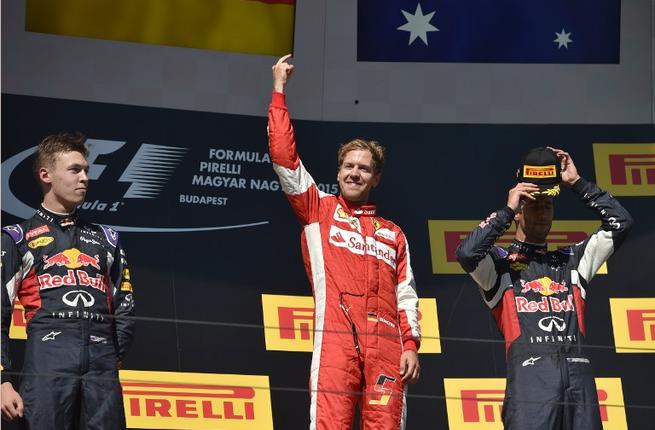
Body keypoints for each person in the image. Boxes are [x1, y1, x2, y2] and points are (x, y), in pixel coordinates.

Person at [268, 55, 421, 430]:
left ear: (376, 179)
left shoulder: (393, 233)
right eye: (348, 166)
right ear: (338, 172)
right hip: (336, 339)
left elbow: (407, 296)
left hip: (387, 347)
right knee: (328, 424)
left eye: (364, 168)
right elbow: (284, 159)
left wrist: (411, 346)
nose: (355, 172)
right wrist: (278, 91)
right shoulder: (316, 210)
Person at [456, 147, 633, 430]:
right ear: (519, 212)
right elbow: (466, 254)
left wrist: (577, 183)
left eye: (547, 206)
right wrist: (508, 209)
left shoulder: (573, 260)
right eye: (533, 206)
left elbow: (621, 224)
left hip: (579, 381)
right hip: (530, 385)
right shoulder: (499, 266)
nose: (542, 213)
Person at [1, 132, 135, 429]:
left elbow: (124, 304)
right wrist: (2, 380)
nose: (84, 178)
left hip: (102, 366)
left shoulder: (107, 239)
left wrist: (113, 355)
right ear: (46, 175)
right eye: (75, 170)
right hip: (48, 362)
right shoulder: (17, 238)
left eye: (86, 170)